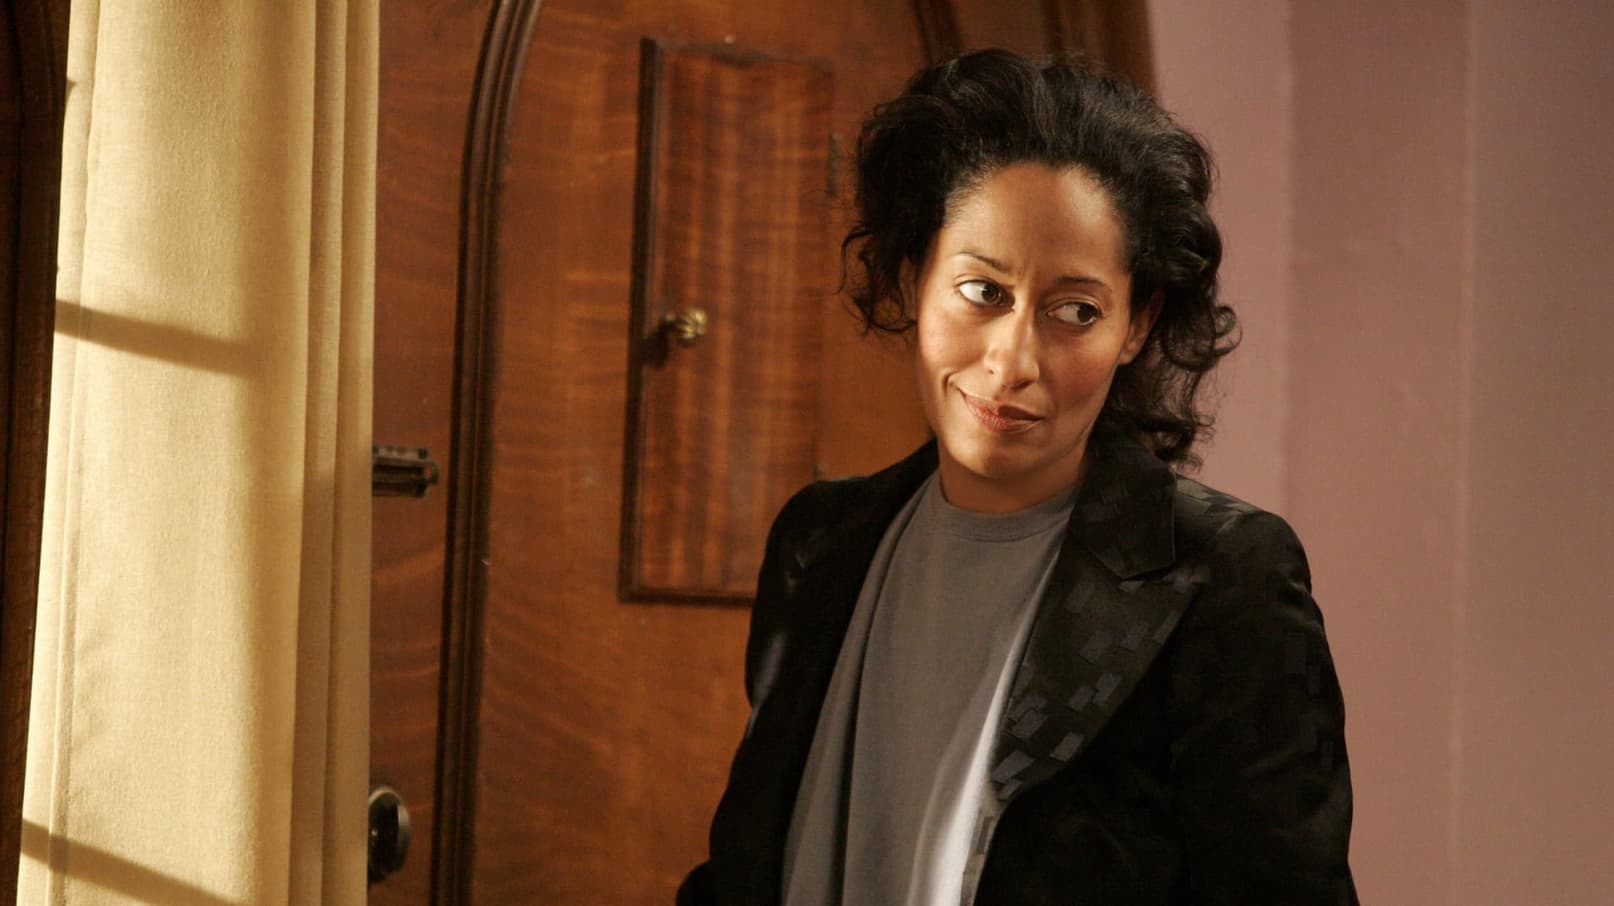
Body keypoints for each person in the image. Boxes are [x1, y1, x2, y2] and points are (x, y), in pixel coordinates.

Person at [679, 49, 1355, 905]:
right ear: (913, 280)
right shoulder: (818, 543)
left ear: (1137, 326)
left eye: (1075, 311)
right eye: (982, 291)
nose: (1013, 361)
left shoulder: (1223, 576)